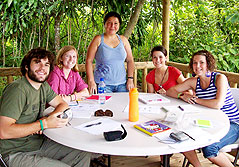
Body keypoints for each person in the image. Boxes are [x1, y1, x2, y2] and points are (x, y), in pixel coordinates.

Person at [0, 48, 91, 167]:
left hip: (38, 144)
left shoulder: (43, 87)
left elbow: (62, 104)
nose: (42, 68)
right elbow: (4, 131)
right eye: (37, 62)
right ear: (27, 66)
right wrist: (43, 124)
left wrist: (50, 118)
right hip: (15, 152)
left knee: (82, 153)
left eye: (46, 64)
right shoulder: (18, 90)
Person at [166, 50, 239, 167]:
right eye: (194, 63)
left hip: (232, 124)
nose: (197, 66)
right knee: (180, 136)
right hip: (208, 122)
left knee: (210, 149)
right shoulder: (194, 82)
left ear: (208, 64)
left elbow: (218, 104)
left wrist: (194, 99)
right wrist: (182, 96)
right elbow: (170, 91)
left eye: (201, 62)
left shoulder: (220, 78)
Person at [86, 11, 135, 94]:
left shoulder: (123, 40)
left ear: (119, 25)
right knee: (105, 107)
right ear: (105, 24)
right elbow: (89, 61)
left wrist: (130, 79)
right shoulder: (98, 39)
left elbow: (130, 60)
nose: (112, 26)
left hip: (122, 84)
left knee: (123, 106)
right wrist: (91, 81)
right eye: (109, 23)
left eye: (116, 23)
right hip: (103, 85)